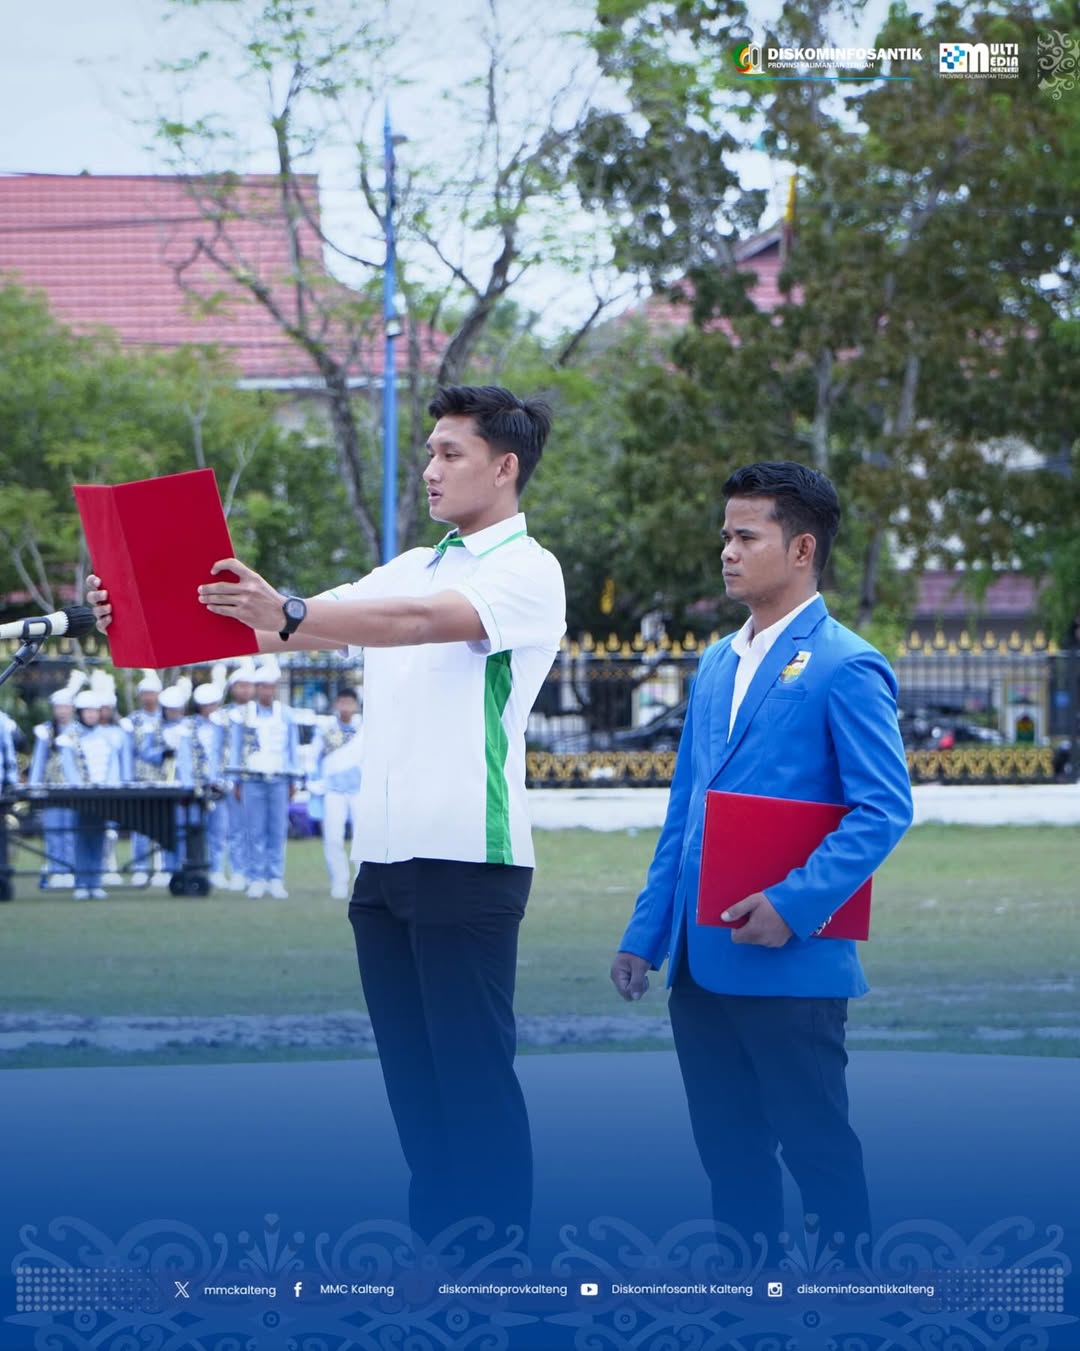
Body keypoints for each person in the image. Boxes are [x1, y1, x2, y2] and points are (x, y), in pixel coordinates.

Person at [87, 383, 565, 1251]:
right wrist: (138, 608)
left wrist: (297, 609)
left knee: (471, 1079)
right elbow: (278, 631)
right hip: (384, 868)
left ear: (505, 466)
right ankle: (442, 1258)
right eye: (428, 451)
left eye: (450, 453)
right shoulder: (412, 565)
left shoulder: (525, 571)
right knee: (416, 1089)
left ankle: (498, 1272)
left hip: (469, 859)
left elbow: (417, 624)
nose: (430, 468)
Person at [610, 461, 913, 1267]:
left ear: (802, 547)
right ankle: (749, 1301)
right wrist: (646, 933)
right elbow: (687, 811)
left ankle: (851, 1303)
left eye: (747, 536)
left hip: (793, 964)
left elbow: (884, 807)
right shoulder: (715, 663)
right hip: (701, 968)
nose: (728, 552)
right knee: (730, 1157)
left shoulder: (848, 664)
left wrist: (794, 902)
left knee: (817, 1152)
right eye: (725, 536)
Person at [230, 661, 299, 900]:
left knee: (277, 829)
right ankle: (256, 877)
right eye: (263, 687)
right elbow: (236, 749)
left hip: (279, 779)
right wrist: (236, 780)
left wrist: (293, 780)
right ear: (257, 688)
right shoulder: (243, 715)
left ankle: (275, 877)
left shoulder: (286, 715)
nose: (267, 692)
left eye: (271, 687)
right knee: (254, 829)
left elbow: (292, 750)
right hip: (252, 779)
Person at [59, 688, 123, 899]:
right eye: (87, 712)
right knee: (81, 837)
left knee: (99, 837)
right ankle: (81, 882)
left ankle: (95, 881)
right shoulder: (69, 736)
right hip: (81, 796)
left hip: (103, 795)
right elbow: (69, 768)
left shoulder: (108, 736)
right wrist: (80, 789)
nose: (91, 715)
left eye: (95, 711)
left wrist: (109, 787)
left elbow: (113, 765)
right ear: (80, 713)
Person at [30, 674, 85, 889]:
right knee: (54, 831)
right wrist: (34, 786)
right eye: (59, 707)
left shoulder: (79, 731)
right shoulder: (45, 731)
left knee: (71, 831)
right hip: (52, 788)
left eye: (66, 707)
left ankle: (70, 870)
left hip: (73, 789)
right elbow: (38, 761)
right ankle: (55, 870)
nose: (62, 711)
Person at [308, 687, 363, 900]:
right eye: (342, 702)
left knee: (362, 839)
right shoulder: (326, 730)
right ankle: (339, 881)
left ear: (356, 705)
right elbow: (312, 759)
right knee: (333, 837)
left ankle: (361, 880)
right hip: (333, 791)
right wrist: (315, 782)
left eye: (349, 702)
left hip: (359, 791)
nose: (345, 707)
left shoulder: (364, 729)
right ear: (336, 705)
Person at [176, 681, 231, 888]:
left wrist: (223, 782)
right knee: (192, 830)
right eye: (206, 704)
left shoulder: (224, 726)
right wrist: (190, 786)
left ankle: (217, 870)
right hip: (194, 789)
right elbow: (184, 759)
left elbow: (226, 755)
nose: (211, 708)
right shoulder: (187, 727)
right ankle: (192, 868)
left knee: (219, 831)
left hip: (218, 786)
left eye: (213, 704)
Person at [121, 670, 166, 885]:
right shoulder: (132, 721)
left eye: (153, 693)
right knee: (140, 827)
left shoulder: (168, 717)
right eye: (145, 693)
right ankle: (140, 868)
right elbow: (128, 752)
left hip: (165, 779)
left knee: (163, 825)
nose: (149, 697)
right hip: (139, 778)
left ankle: (162, 867)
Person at [224, 661, 257, 891]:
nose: (245, 690)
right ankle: (237, 871)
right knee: (235, 827)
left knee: (254, 828)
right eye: (240, 685)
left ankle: (256, 872)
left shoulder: (262, 713)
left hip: (256, 779)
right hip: (232, 777)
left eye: (248, 685)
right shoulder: (224, 715)